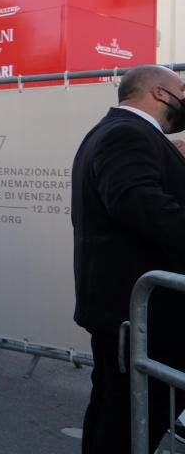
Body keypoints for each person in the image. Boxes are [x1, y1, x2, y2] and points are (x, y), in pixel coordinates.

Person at [72, 64, 185, 454]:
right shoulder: (126, 133)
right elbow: (140, 205)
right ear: (159, 92)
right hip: (142, 317)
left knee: (114, 414)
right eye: (182, 90)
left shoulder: (122, 132)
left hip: (129, 315)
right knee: (128, 421)